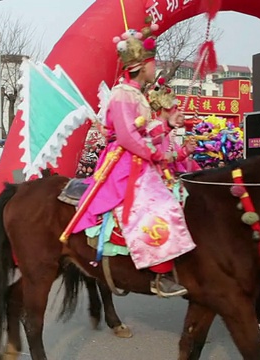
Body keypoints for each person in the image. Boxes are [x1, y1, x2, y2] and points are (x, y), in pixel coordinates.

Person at [72, 21, 196, 298]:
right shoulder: (122, 94)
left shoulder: (137, 95)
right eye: (153, 62)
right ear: (140, 66)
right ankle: (160, 274)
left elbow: (146, 132)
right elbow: (128, 137)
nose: (156, 68)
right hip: (127, 162)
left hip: (140, 160)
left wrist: (168, 126)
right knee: (156, 205)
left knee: (180, 195)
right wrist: (157, 153)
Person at [146, 79, 200, 176]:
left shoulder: (169, 130)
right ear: (165, 109)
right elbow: (163, 158)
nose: (177, 111)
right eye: (174, 108)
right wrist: (183, 152)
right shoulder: (154, 129)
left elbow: (174, 155)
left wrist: (185, 151)